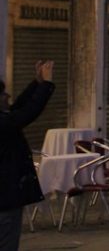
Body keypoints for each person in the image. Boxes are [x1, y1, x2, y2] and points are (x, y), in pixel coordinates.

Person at [0, 60, 55, 251]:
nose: (7, 96)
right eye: (2, 94)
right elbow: (26, 113)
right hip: (4, 199)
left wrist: (37, 83)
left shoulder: (5, 118)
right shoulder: (4, 123)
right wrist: (46, 84)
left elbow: (18, 108)